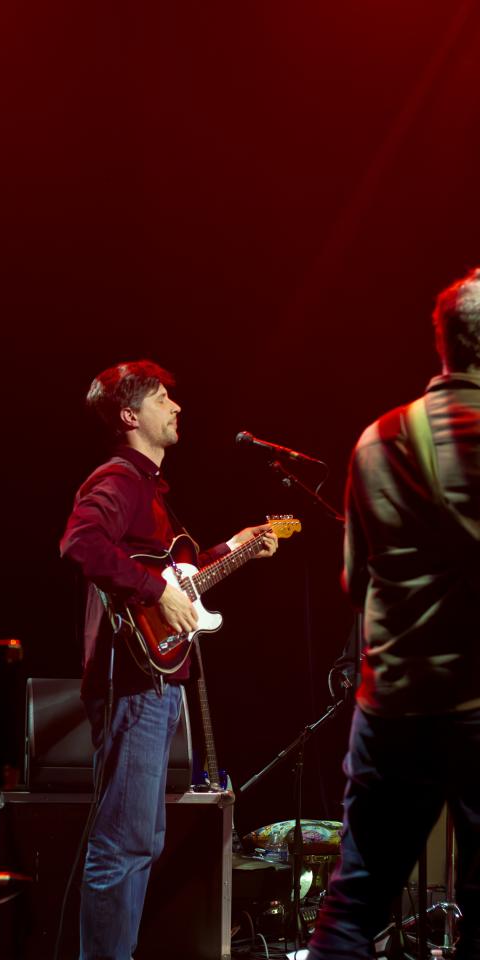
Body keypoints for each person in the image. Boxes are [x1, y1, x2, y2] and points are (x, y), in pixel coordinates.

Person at [60, 359, 279, 960]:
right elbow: (81, 543)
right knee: (124, 844)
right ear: (130, 416)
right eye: (161, 398)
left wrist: (232, 549)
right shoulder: (119, 479)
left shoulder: (150, 491)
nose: (176, 407)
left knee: (141, 840)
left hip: (154, 680)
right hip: (133, 682)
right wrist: (155, 591)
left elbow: (175, 575)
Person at [307, 267, 480, 960]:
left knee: (352, 910)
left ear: (444, 342)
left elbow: (357, 585)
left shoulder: (378, 438)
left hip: (394, 712)